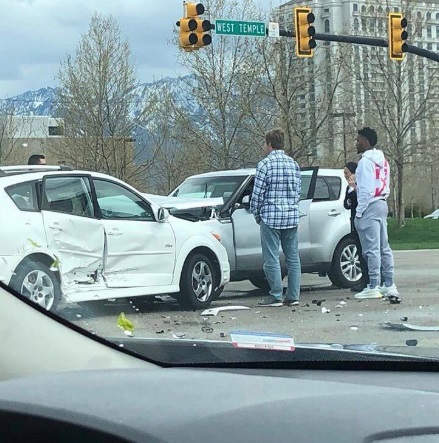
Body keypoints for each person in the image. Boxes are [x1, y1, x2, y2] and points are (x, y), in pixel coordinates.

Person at [250, 128, 301, 307]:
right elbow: (297, 192)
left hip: (271, 216)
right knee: (293, 257)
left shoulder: (265, 165)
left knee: (271, 257)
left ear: (269, 144)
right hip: (291, 216)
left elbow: (257, 194)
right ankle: (293, 295)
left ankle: (276, 295)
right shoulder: (293, 164)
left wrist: (257, 214)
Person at [354, 127, 401, 302]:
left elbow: (365, 189)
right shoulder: (384, 161)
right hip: (382, 202)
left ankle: (373, 285)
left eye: (358, 140)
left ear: (365, 141)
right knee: (384, 247)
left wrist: (359, 212)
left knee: (371, 248)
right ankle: (388, 283)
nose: (356, 143)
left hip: (370, 204)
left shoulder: (365, 162)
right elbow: (385, 185)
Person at [343, 161, 369, 292]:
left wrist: (353, 189)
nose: (346, 176)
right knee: (358, 250)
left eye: (347, 173)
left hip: (361, 221)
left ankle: (368, 280)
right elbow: (346, 204)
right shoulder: (349, 188)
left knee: (365, 251)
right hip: (353, 221)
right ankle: (364, 279)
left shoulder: (359, 187)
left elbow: (357, 201)